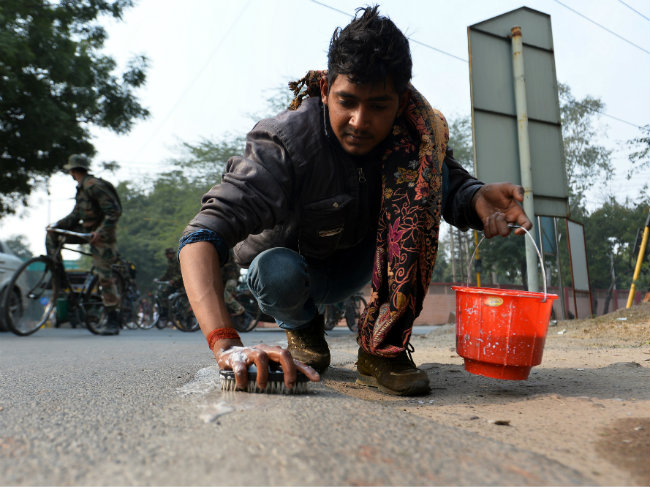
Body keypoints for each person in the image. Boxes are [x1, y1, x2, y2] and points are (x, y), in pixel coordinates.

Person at [178, 6, 532, 396]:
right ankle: (304, 330)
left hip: (359, 262)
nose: (359, 121)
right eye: (347, 101)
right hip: (291, 268)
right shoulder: (284, 143)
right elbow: (199, 237)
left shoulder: (417, 138)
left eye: (378, 106)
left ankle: (383, 349)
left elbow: (450, 189)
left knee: (435, 170)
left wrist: (477, 198)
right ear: (327, 90)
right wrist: (228, 346)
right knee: (275, 270)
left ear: (399, 103)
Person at [46, 154, 122, 335]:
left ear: (72, 170)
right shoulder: (81, 189)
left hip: (102, 236)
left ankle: (113, 319)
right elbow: (75, 216)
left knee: (104, 274)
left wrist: (101, 232)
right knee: (52, 234)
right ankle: (57, 272)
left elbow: (114, 212)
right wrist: (57, 225)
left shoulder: (95, 186)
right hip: (85, 231)